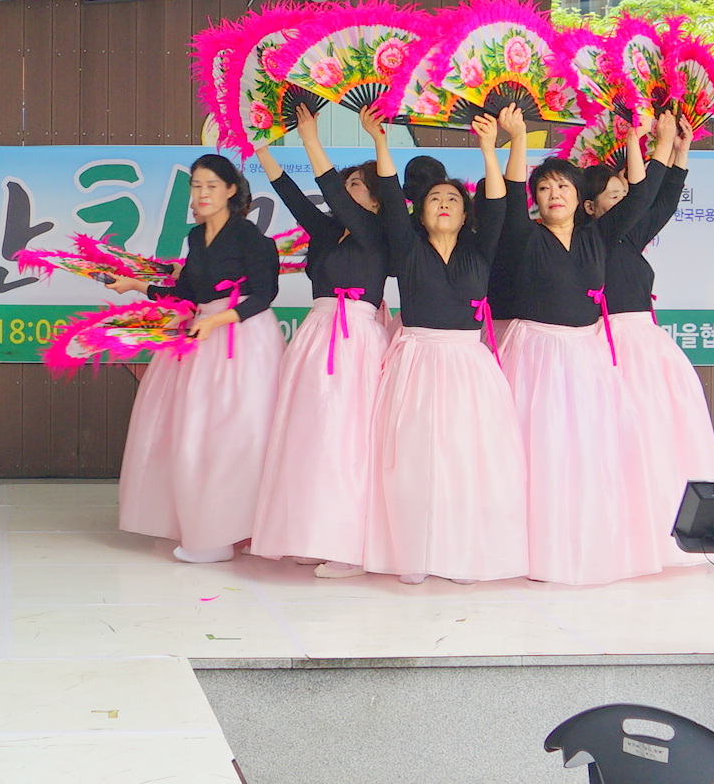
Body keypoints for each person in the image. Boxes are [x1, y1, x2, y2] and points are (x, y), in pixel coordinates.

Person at [495, 105, 667, 586]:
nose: (554, 194)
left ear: (578, 198)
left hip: (587, 354)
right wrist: (517, 139)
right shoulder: (524, 237)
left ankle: (588, 543)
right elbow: (509, 195)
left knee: (589, 450)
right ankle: (532, 549)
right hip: (535, 354)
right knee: (537, 452)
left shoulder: (599, 237)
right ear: (536, 199)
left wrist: (635, 140)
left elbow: (640, 196)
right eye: (545, 188)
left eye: (564, 187)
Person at [360, 106, 528, 585]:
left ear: (464, 211)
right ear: (420, 210)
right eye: (434, 198)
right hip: (416, 361)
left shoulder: (480, 249)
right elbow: (389, 195)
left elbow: (498, 202)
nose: (444, 203)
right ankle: (413, 554)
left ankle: (462, 554)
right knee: (413, 463)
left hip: (470, 365)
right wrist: (380, 142)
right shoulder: (408, 247)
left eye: (453, 198)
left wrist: (489, 149)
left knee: (467, 459)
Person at [103, 153, 284, 563]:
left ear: (231, 190)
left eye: (211, 186)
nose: (202, 194)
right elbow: (186, 293)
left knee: (237, 435)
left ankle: (237, 532)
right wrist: (134, 285)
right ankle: (208, 528)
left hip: (242, 339)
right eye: (196, 186)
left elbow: (263, 295)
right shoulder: (196, 237)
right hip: (202, 336)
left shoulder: (252, 238)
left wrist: (217, 319)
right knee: (194, 434)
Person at [249, 105, 390, 579]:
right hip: (317, 335)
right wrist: (261, 149)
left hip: (357, 340)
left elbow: (328, 190)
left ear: (375, 200)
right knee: (310, 437)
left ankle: (350, 547)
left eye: (356, 186)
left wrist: (309, 137)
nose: (345, 192)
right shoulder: (329, 231)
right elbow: (291, 195)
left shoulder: (379, 232)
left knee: (347, 439)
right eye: (345, 185)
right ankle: (314, 534)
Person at [585, 112, 714, 562]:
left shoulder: (628, 240)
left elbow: (661, 204)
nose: (627, 202)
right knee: (621, 440)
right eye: (614, 196)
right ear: (589, 207)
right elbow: (648, 197)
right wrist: (651, 143)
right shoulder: (589, 240)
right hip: (609, 348)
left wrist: (680, 152)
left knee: (660, 435)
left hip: (648, 348)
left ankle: (665, 522)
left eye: (625, 195)